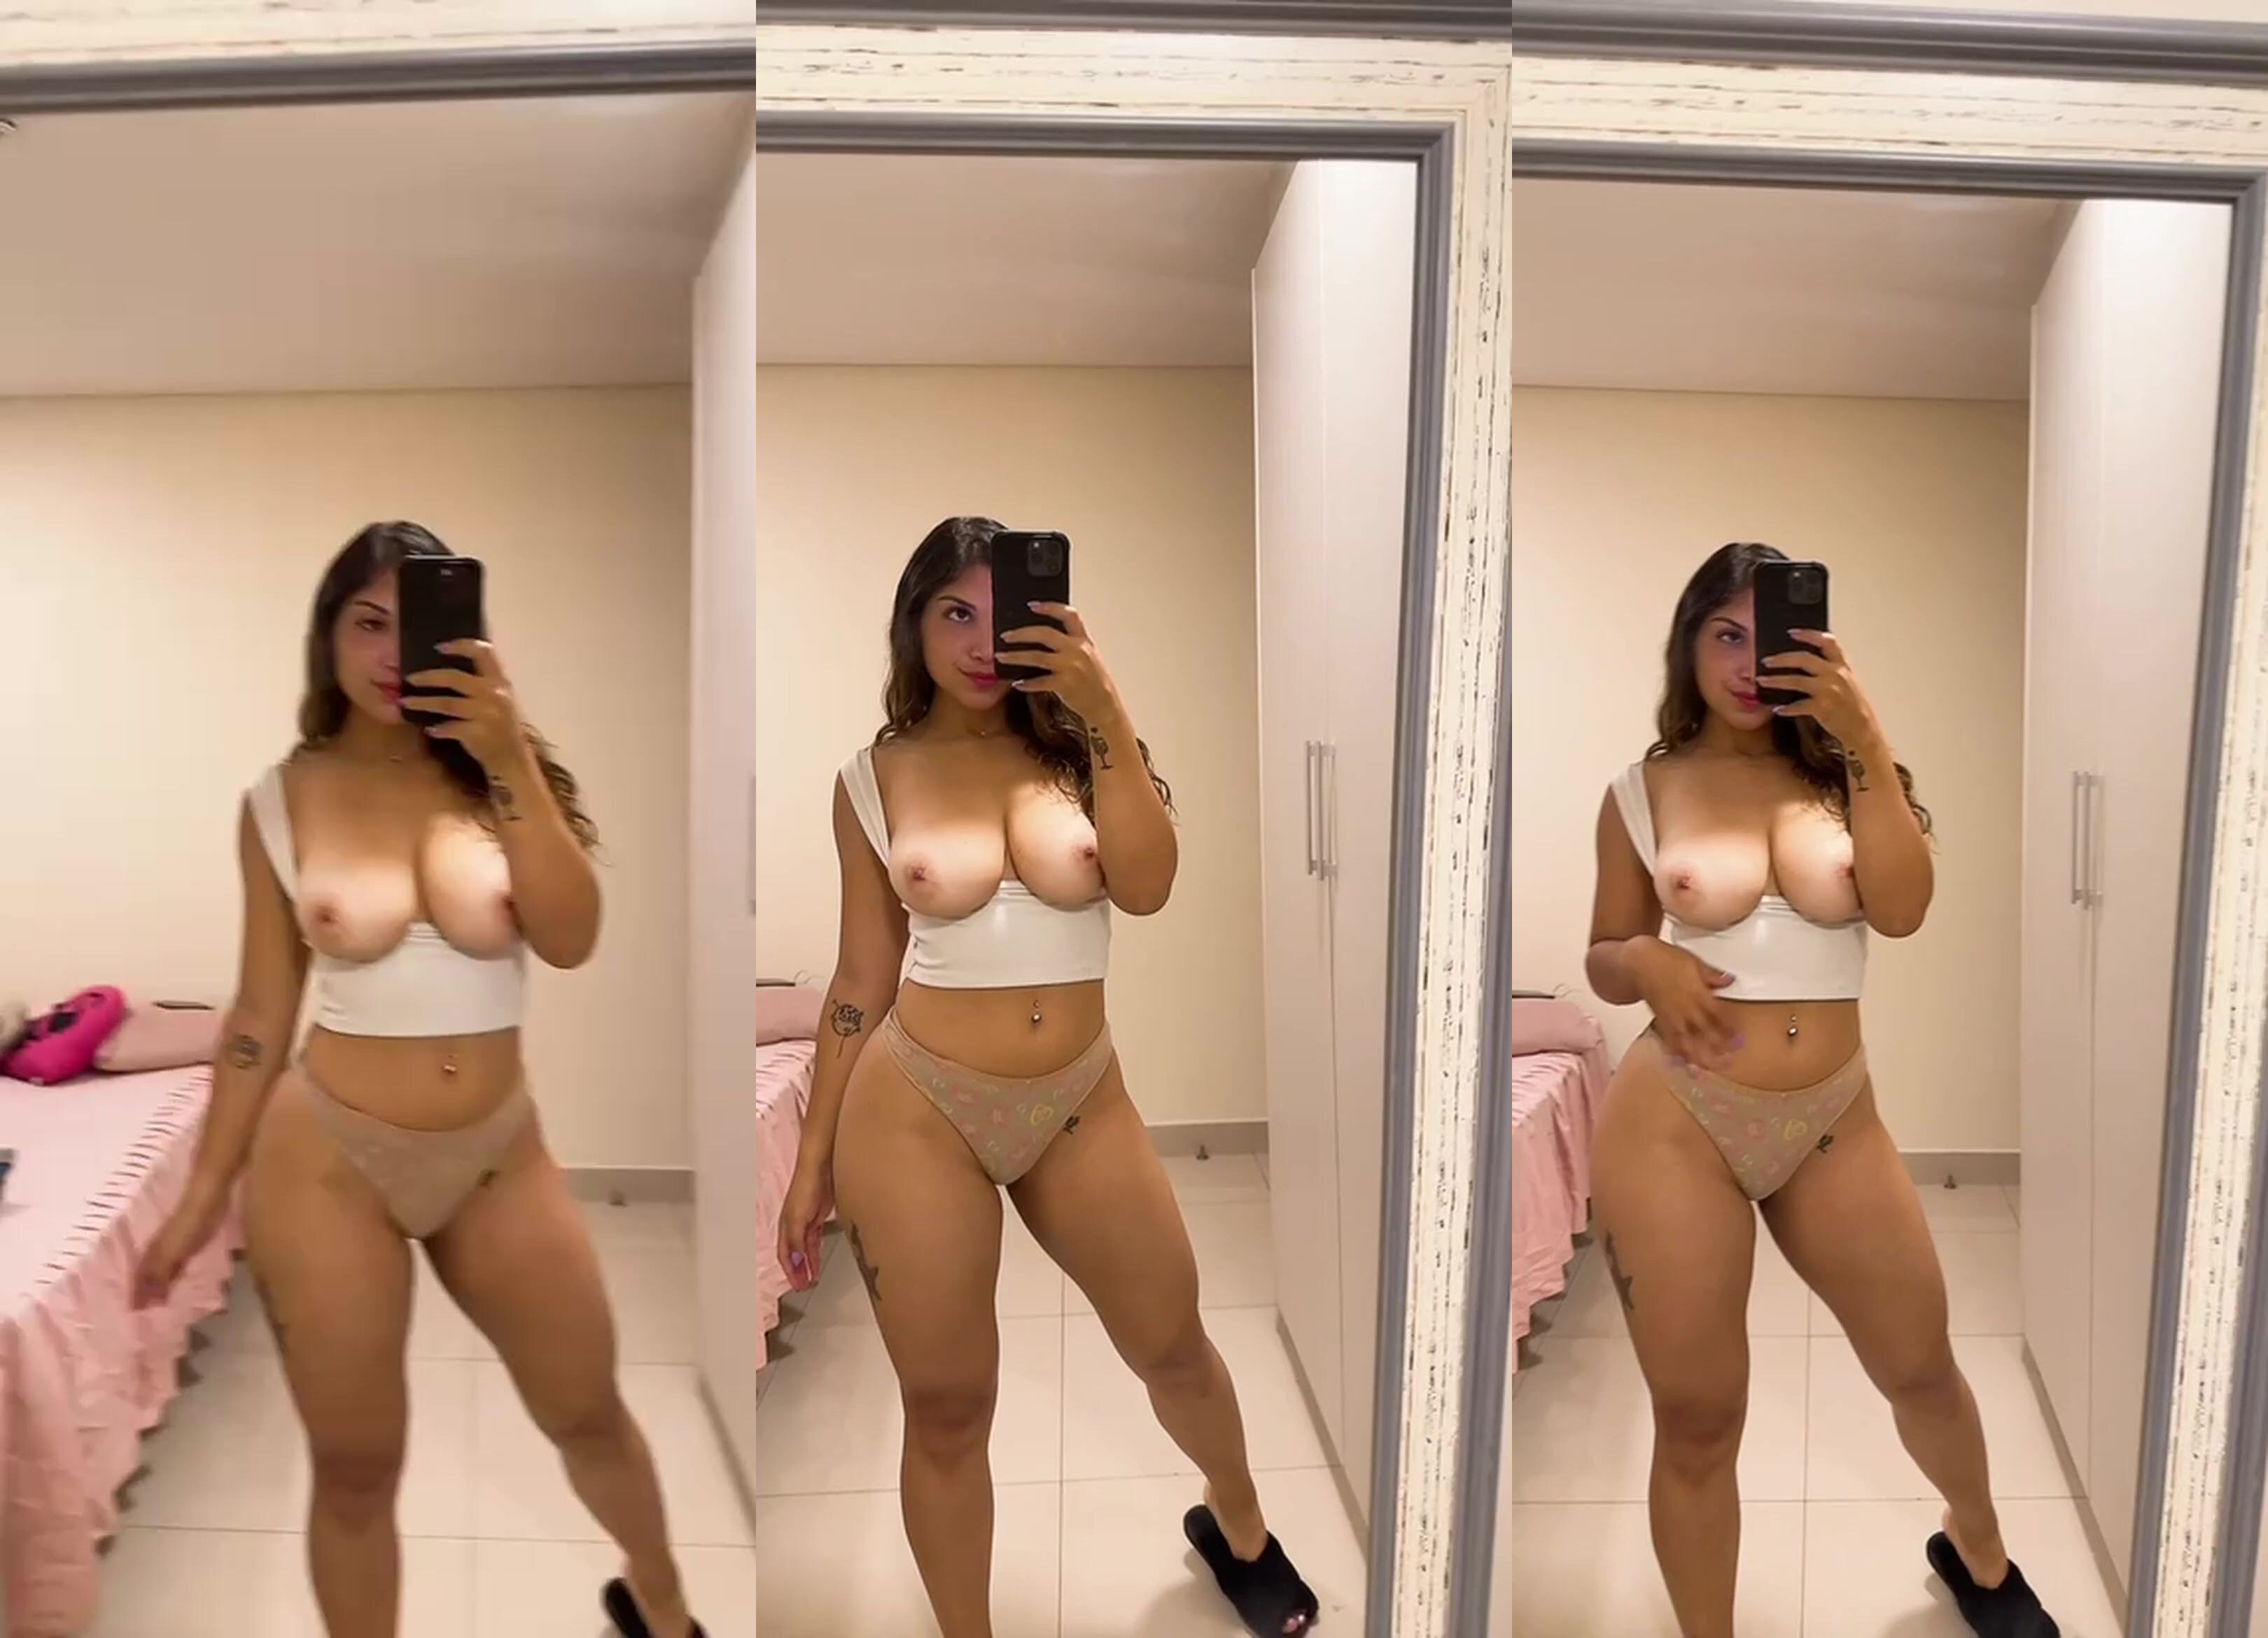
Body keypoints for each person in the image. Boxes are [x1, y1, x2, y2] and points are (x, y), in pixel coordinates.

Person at [134, 522, 706, 1638]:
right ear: (329, 637)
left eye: (419, 626)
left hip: (497, 1153)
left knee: (586, 1408)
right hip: (326, 1160)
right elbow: (260, 1016)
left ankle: (666, 1609)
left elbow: (574, 938)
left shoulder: (496, 779)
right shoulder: (280, 799)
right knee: (355, 1465)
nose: (393, 653)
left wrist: (509, 757)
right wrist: (202, 1190)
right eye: (368, 623)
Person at [774, 516, 1319, 1638]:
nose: (982, 642)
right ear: (914, 624)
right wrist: (811, 1158)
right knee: (946, 1405)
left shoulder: (1081, 748)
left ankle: (1240, 1525)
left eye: (1005, 613)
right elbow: (860, 978)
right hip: (914, 1110)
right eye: (955, 613)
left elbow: (1150, 887)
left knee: (1172, 1342)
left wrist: (1105, 710)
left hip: (1079, 1098)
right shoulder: (871, 778)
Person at [1581, 542, 2059, 1638]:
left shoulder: (1848, 775)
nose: (1750, 663)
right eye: (1727, 635)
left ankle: (1978, 1546)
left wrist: (1866, 738)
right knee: (1699, 1419)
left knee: (1921, 1368)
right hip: (1676, 1120)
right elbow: (1606, 950)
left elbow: (1903, 910)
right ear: (1689, 645)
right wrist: (1644, 960)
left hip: (1834, 1116)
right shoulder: (1639, 791)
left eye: (1775, 637)